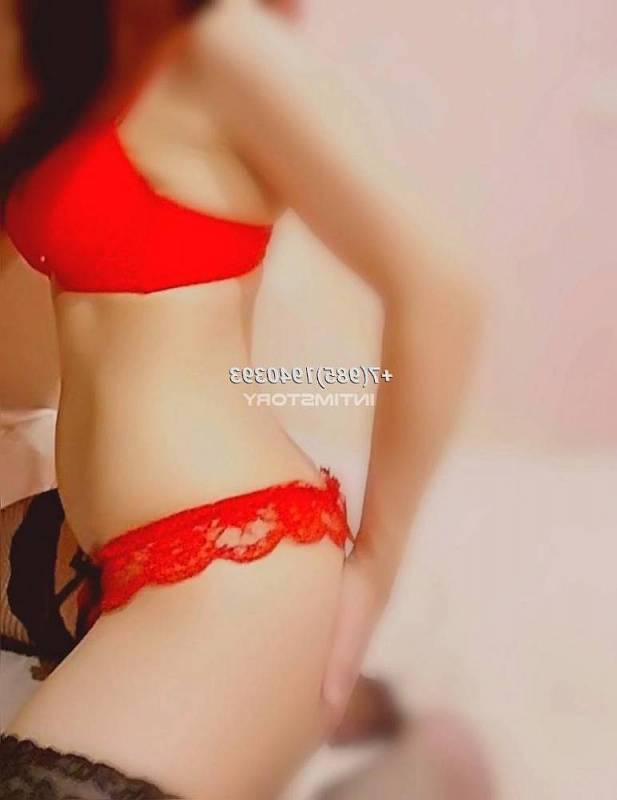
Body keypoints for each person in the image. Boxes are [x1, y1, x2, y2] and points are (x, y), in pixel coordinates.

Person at [0, 1, 482, 797]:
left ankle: (404, 764)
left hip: (227, 557)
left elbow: (442, 293)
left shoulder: (219, 44)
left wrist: (372, 573)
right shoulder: (55, 44)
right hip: (82, 548)